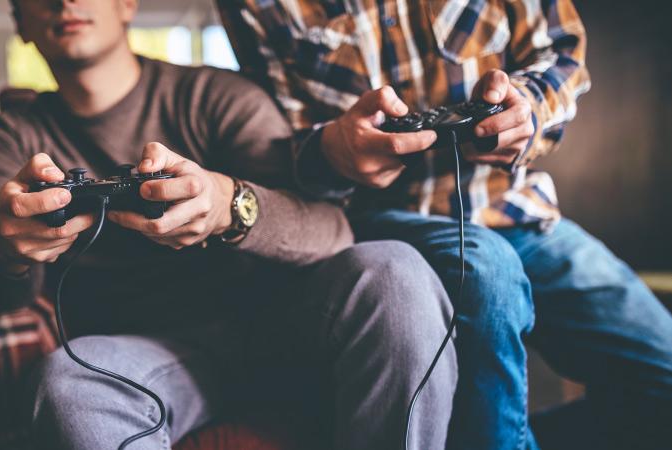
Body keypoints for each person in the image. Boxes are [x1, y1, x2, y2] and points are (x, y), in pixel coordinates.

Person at [0, 0, 458, 449]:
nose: (64, 1)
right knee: (68, 384)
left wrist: (228, 205)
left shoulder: (216, 95)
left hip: (287, 323)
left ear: (127, 5)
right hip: (146, 355)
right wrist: (4, 250)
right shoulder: (14, 137)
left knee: (395, 271)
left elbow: (331, 231)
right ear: (20, 23)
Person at [216, 1, 672, 449]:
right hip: (370, 224)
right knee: (486, 268)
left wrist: (527, 109)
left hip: (510, 209)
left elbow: (560, 51)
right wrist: (329, 151)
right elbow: (271, 142)